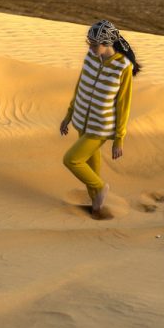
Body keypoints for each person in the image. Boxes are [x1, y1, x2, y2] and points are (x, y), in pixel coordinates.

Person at [61, 19, 141, 217]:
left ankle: (101, 188)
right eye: (90, 44)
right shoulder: (91, 57)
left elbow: (124, 105)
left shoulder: (123, 68)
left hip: (100, 127)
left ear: (107, 44)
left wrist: (119, 139)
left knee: (71, 160)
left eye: (95, 45)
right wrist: (69, 115)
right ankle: (97, 209)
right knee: (91, 167)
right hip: (81, 121)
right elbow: (80, 86)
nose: (91, 48)